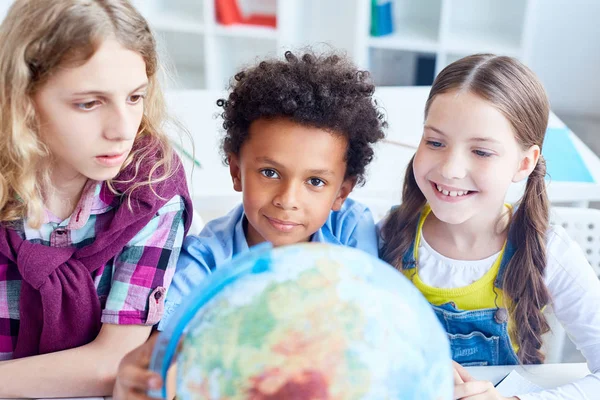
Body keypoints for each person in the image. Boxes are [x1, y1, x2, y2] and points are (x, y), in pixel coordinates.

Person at [113, 49, 387, 399]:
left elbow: (372, 323)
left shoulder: (350, 229)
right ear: (235, 171)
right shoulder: (206, 260)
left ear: (341, 192)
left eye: (315, 182)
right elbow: (165, 350)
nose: (287, 199)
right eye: (269, 173)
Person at [379, 53, 600, 399]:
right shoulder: (385, 236)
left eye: (481, 152)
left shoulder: (549, 252)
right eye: (435, 142)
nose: (450, 169)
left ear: (524, 162)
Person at [0, 0, 192, 396]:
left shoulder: (151, 190)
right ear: (23, 99)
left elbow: (116, 363)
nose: (122, 129)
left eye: (135, 97)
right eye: (89, 103)